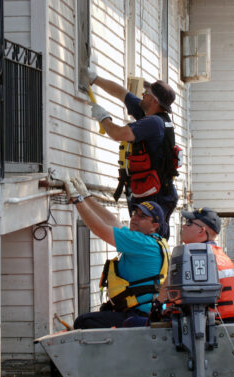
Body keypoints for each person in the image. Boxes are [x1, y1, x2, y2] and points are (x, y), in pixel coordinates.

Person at [63, 176, 170, 329]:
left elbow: (100, 229)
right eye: (135, 213)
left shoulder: (141, 243)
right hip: (147, 313)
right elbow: (113, 223)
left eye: (142, 216)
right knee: (101, 314)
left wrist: (77, 200)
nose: (135, 218)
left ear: (155, 226)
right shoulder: (155, 242)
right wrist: (87, 197)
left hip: (138, 315)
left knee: (83, 322)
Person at [85, 69, 179, 238]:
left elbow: (118, 134)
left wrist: (103, 117)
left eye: (147, 93)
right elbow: (122, 93)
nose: (143, 94)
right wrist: (94, 79)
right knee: (143, 239)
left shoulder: (153, 123)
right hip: (155, 191)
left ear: (155, 100)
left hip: (156, 196)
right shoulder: (152, 114)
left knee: (148, 241)